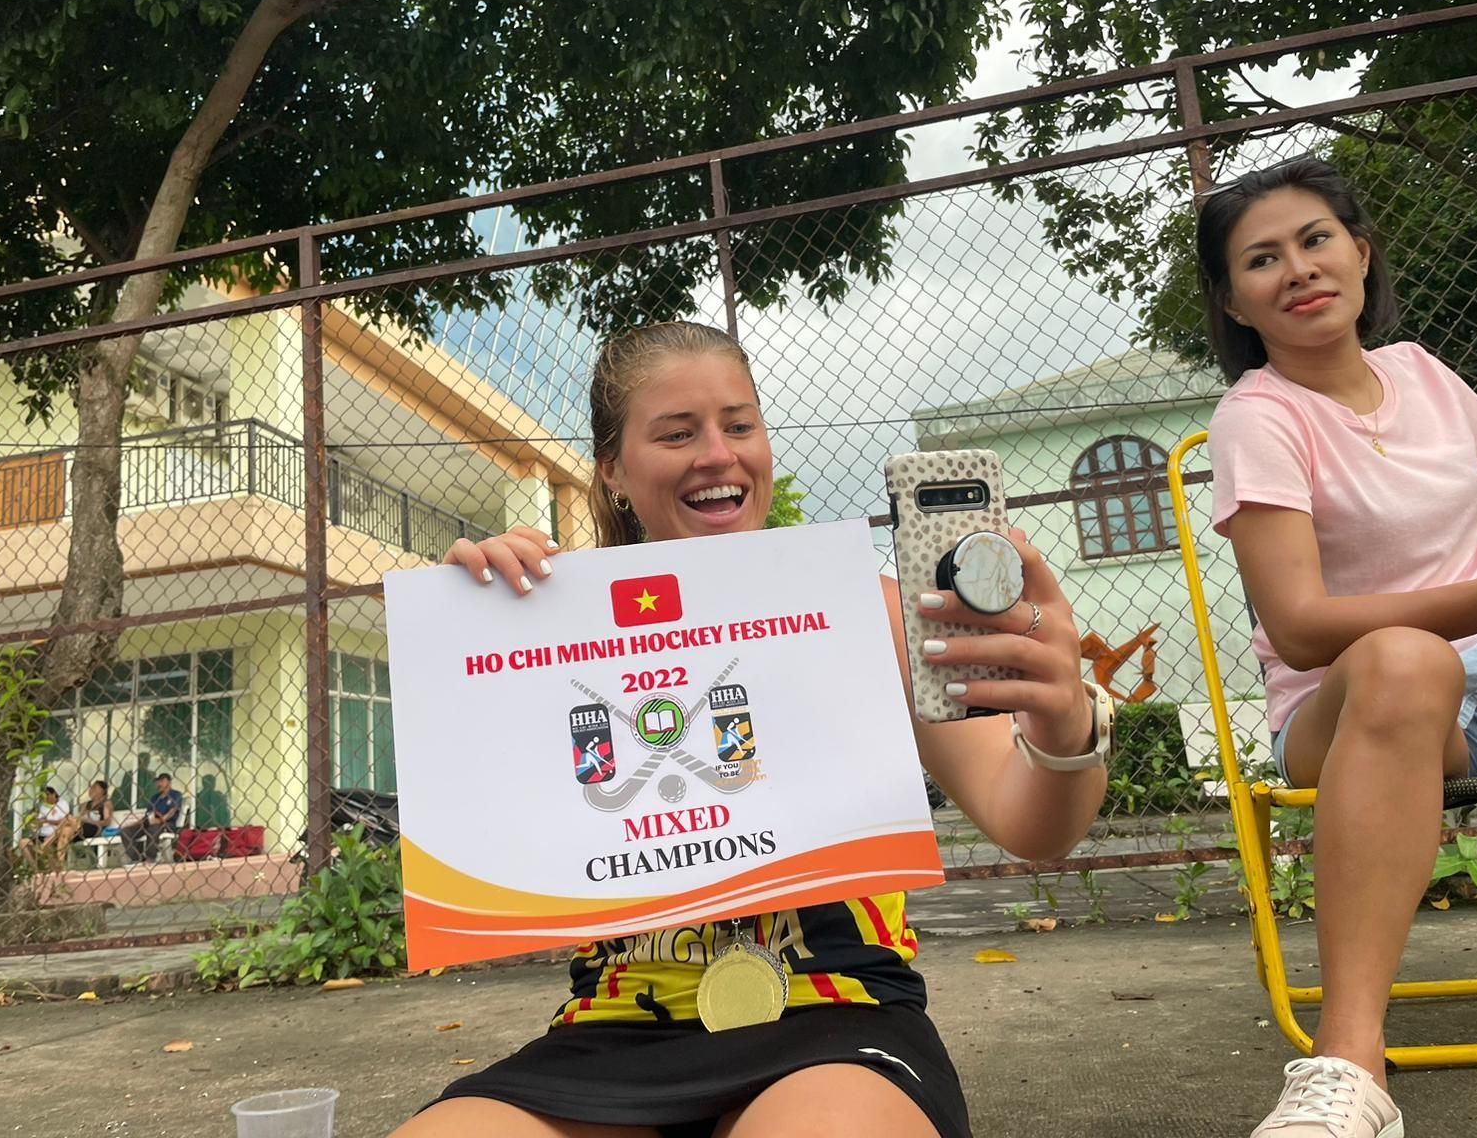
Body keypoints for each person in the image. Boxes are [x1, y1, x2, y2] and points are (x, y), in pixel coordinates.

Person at [392, 322, 1112, 1138]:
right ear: (613, 470)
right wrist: (477, 621)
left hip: (838, 1021)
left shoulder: (865, 607)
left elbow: (1033, 825)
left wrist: (1063, 724)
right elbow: (485, 834)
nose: (718, 454)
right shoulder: (543, 628)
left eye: (740, 425)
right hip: (611, 1032)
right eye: (677, 433)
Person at [1198, 156, 1477, 1138]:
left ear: (1359, 250)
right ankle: (1348, 1066)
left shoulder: (1426, 376)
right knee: (1405, 657)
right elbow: (1302, 623)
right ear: (1234, 301)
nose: (1298, 269)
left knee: (1433, 656)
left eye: (1314, 240)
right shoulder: (1257, 419)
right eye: (1261, 259)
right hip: (1345, 710)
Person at [120, 773, 183, 864]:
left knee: (153, 828)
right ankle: (137, 858)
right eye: (157, 782)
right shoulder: (155, 798)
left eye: (161, 781)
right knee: (125, 831)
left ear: (168, 782)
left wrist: (160, 820)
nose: (158, 784)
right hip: (150, 822)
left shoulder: (175, 795)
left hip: (167, 824)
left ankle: (151, 857)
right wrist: (132, 824)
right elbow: (148, 815)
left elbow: (172, 812)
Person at [53, 779, 115, 855]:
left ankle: (48, 840)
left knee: (68, 818)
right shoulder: (86, 804)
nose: (91, 789)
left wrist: (90, 821)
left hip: (93, 828)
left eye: (95, 788)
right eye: (91, 787)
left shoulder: (106, 803)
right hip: (79, 828)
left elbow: (107, 821)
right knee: (66, 831)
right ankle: (61, 862)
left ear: (102, 791)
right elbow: (80, 818)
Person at [18, 786, 70, 862]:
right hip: (41, 835)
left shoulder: (63, 804)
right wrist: (36, 822)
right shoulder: (43, 806)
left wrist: (47, 821)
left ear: (54, 794)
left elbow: (65, 820)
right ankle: (35, 870)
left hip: (56, 836)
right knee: (23, 843)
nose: (46, 798)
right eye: (44, 796)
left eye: (48, 795)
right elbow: (39, 821)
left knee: (48, 848)